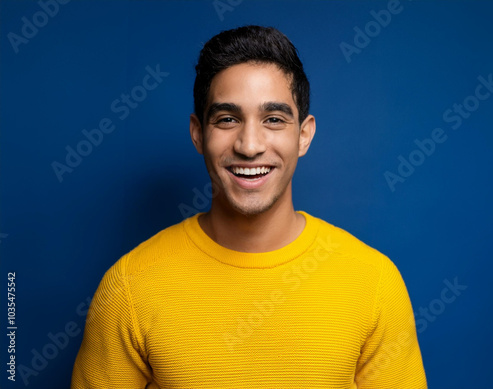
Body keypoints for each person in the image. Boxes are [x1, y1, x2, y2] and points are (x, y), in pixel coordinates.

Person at [71, 25, 427, 388]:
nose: (250, 145)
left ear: (303, 135)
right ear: (198, 134)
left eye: (273, 119)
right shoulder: (129, 288)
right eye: (227, 119)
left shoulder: (375, 283)